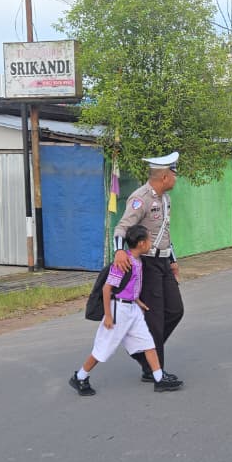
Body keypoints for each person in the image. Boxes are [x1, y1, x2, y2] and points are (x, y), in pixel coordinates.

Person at [70, 224, 183, 396]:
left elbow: (130, 286)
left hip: (133, 309)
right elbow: (107, 289)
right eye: (149, 241)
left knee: (148, 343)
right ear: (140, 244)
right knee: (104, 348)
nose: (151, 244)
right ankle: (80, 376)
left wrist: (137, 300)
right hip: (118, 310)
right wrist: (108, 316)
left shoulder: (138, 261)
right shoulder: (123, 263)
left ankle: (159, 379)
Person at [112, 151, 184, 384]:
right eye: (174, 173)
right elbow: (121, 228)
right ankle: (156, 372)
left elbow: (164, 233)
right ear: (164, 177)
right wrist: (119, 251)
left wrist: (172, 260)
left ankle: (145, 354)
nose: (176, 178)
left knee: (175, 311)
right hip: (148, 265)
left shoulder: (165, 199)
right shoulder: (140, 198)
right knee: (155, 318)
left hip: (163, 262)